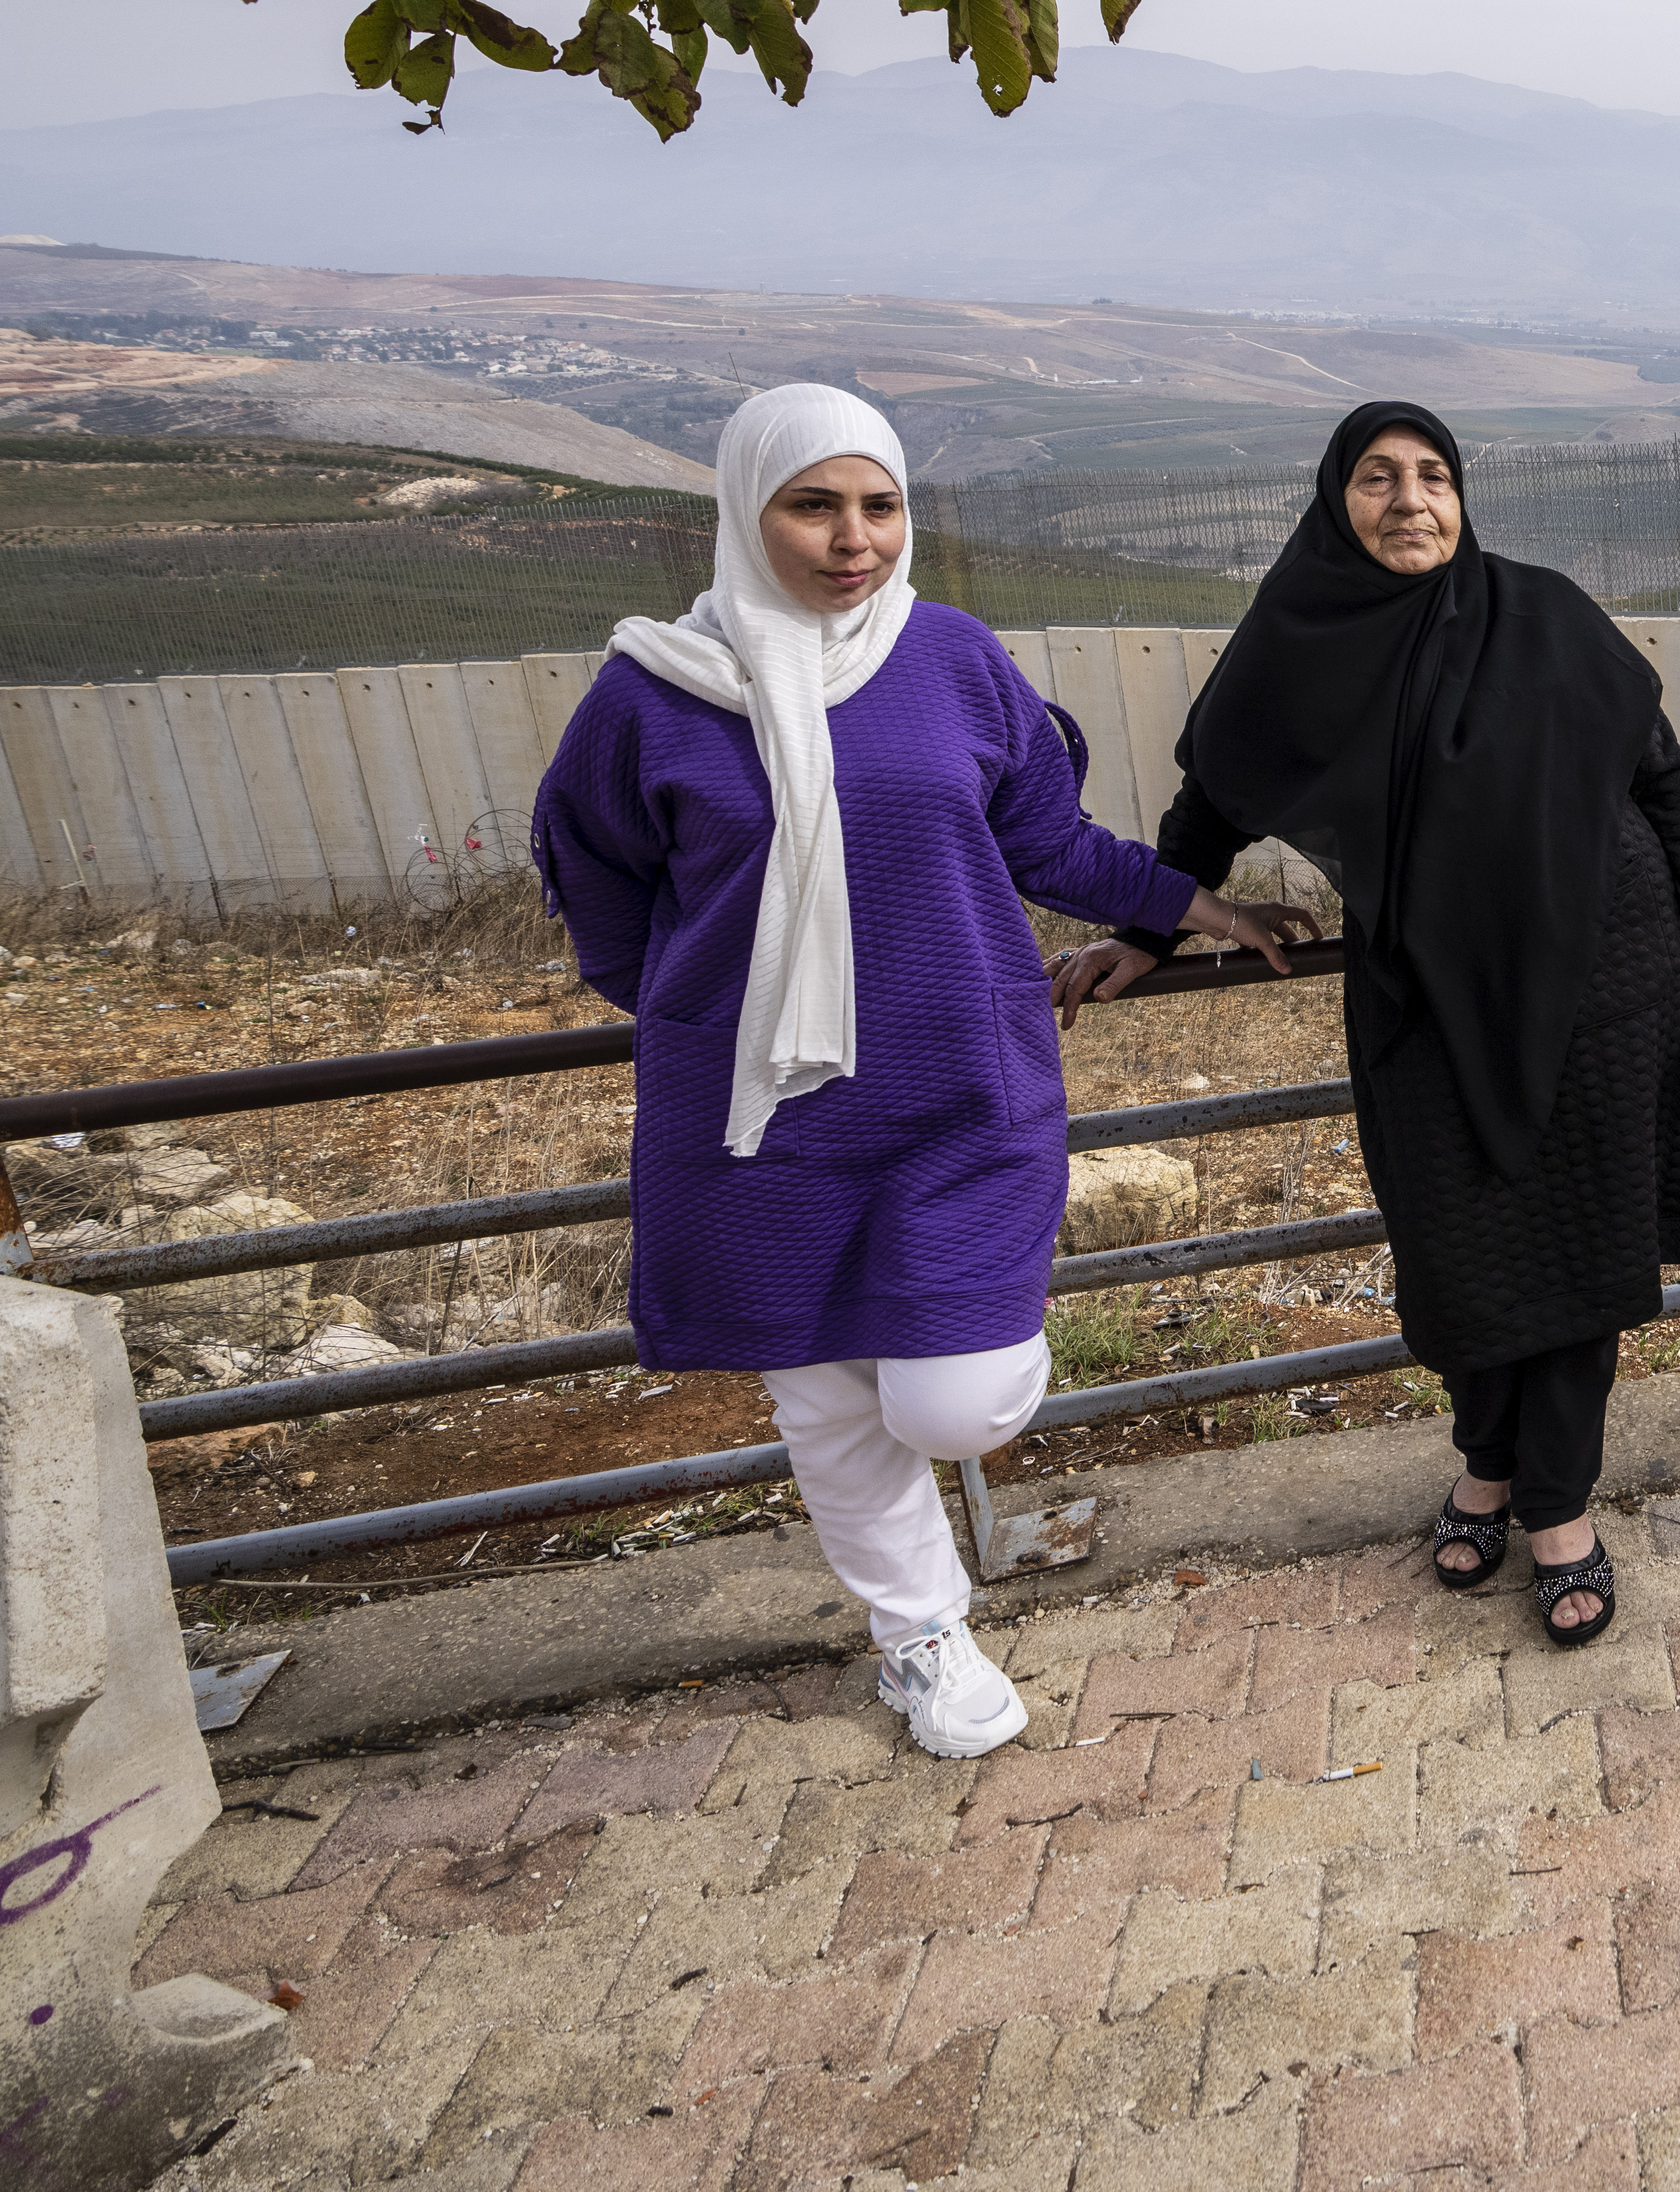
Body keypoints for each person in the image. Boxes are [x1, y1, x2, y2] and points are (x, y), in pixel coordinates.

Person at [536, 385, 1299, 1759]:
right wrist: (721, 1015)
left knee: (955, 1399)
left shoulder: (947, 658)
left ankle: (935, 1486)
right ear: (744, 511)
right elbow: (603, 903)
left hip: (961, 1083)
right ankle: (921, 1638)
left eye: (878, 506)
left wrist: (1196, 910)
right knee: (826, 1401)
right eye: (813, 506)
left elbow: (1047, 842)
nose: (853, 541)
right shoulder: (649, 697)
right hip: (761, 1118)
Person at [1054, 402, 1680, 1647]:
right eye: (1379, 478)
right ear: (1338, 500)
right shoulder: (1296, 646)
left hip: (1607, 981)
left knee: (1579, 1255)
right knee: (1460, 1248)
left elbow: (1668, 784)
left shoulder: (1543, 614)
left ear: (1463, 494)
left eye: (1434, 476)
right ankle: (1486, 1463)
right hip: (1422, 998)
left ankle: (1549, 1508)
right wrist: (1154, 926)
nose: (1411, 501)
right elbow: (1212, 794)